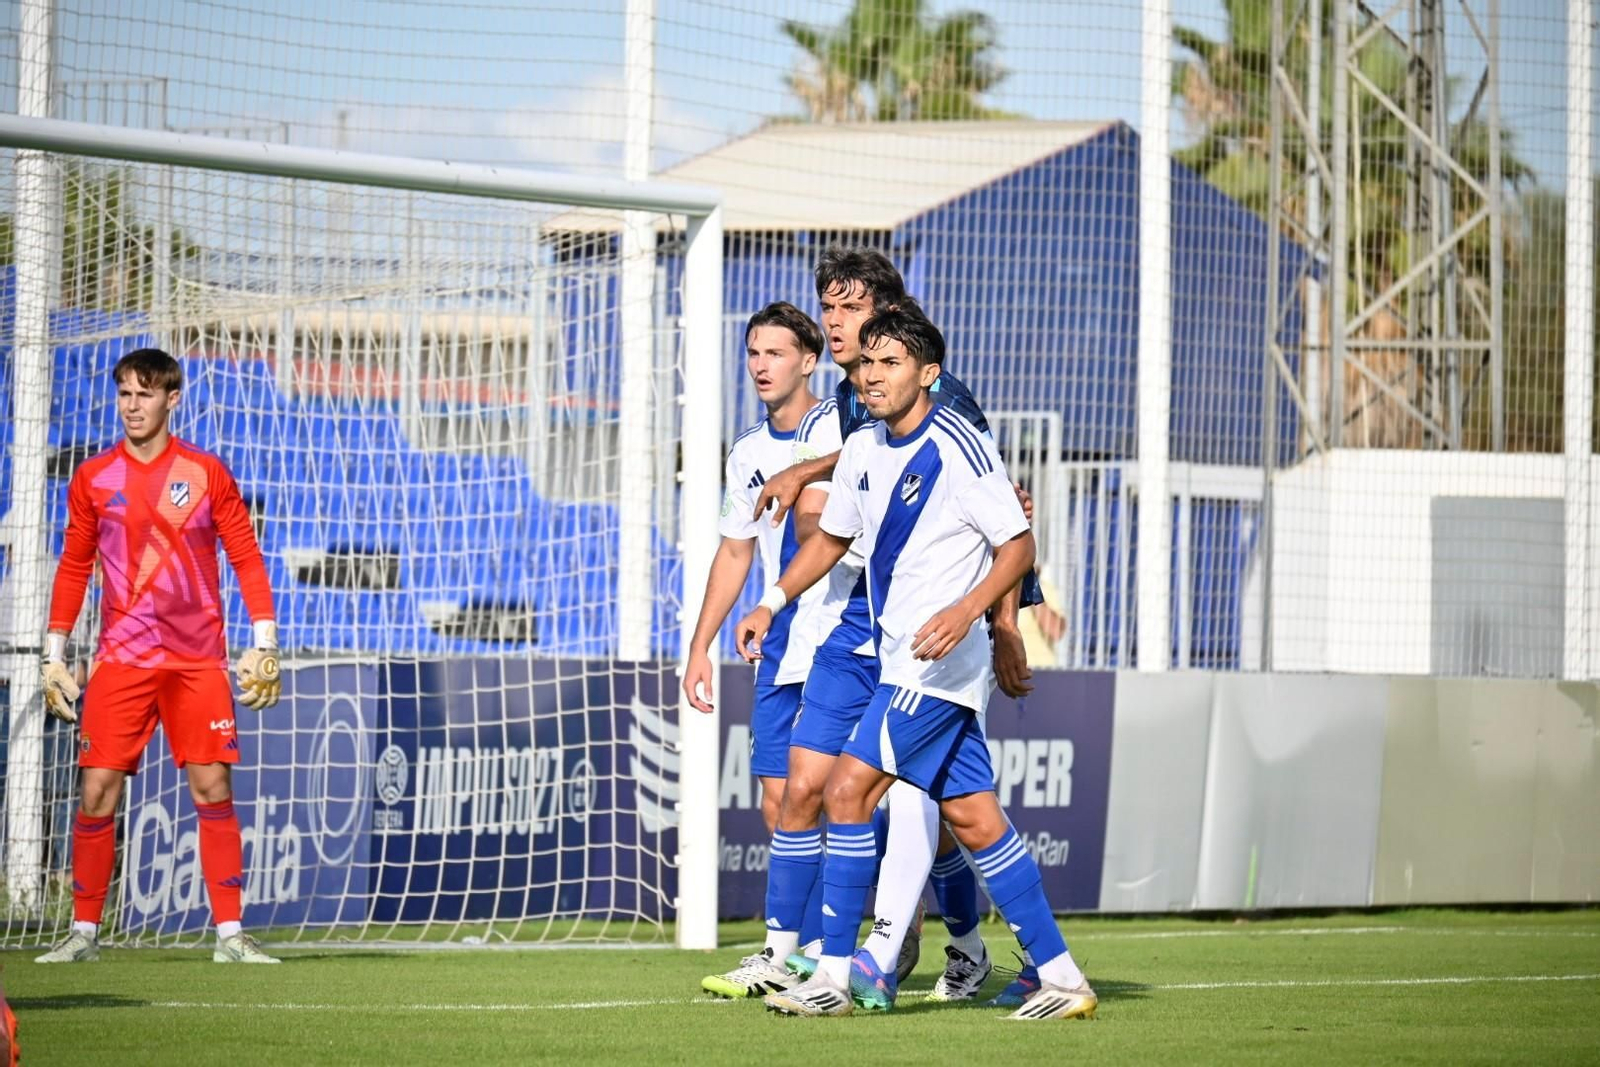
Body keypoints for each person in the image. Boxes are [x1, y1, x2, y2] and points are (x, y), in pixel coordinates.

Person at [738, 310, 1095, 1021]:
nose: (872, 376)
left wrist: (971, 612)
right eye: (867, 364)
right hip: (899, 655)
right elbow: (831, 539)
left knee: (847, 790)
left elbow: (1018, 545)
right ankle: (1062, 976)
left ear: (929, 373)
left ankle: (835, 975)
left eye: (890, 363)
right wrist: (771, 602)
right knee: (975, 818)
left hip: (934, 666)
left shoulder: (960, 443)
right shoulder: (863, 447)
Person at [34, 347, 283, 965]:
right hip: (121, 659)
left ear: (172, 399)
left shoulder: (206, 472)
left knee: (212, 787)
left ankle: (230, 936)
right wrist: (53, 654)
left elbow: (245, 556)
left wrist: (265, 641)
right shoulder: (93, 477)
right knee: (96, 792)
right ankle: (83, 934)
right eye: (124, 394)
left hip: (197, 660)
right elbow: (74, 565)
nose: (132, 405)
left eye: (144, 394)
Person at [686, 303, 858, 997]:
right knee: (778, 800)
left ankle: (834, 943)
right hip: (778, 644)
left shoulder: (841, 427)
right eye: (753, 352)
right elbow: (734, 551)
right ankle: (807, 949)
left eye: (776, 352)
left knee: (831, 795)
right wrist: (699, 647)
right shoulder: (747, 452)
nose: (761, 365)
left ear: (809, 361)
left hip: (842, 634)